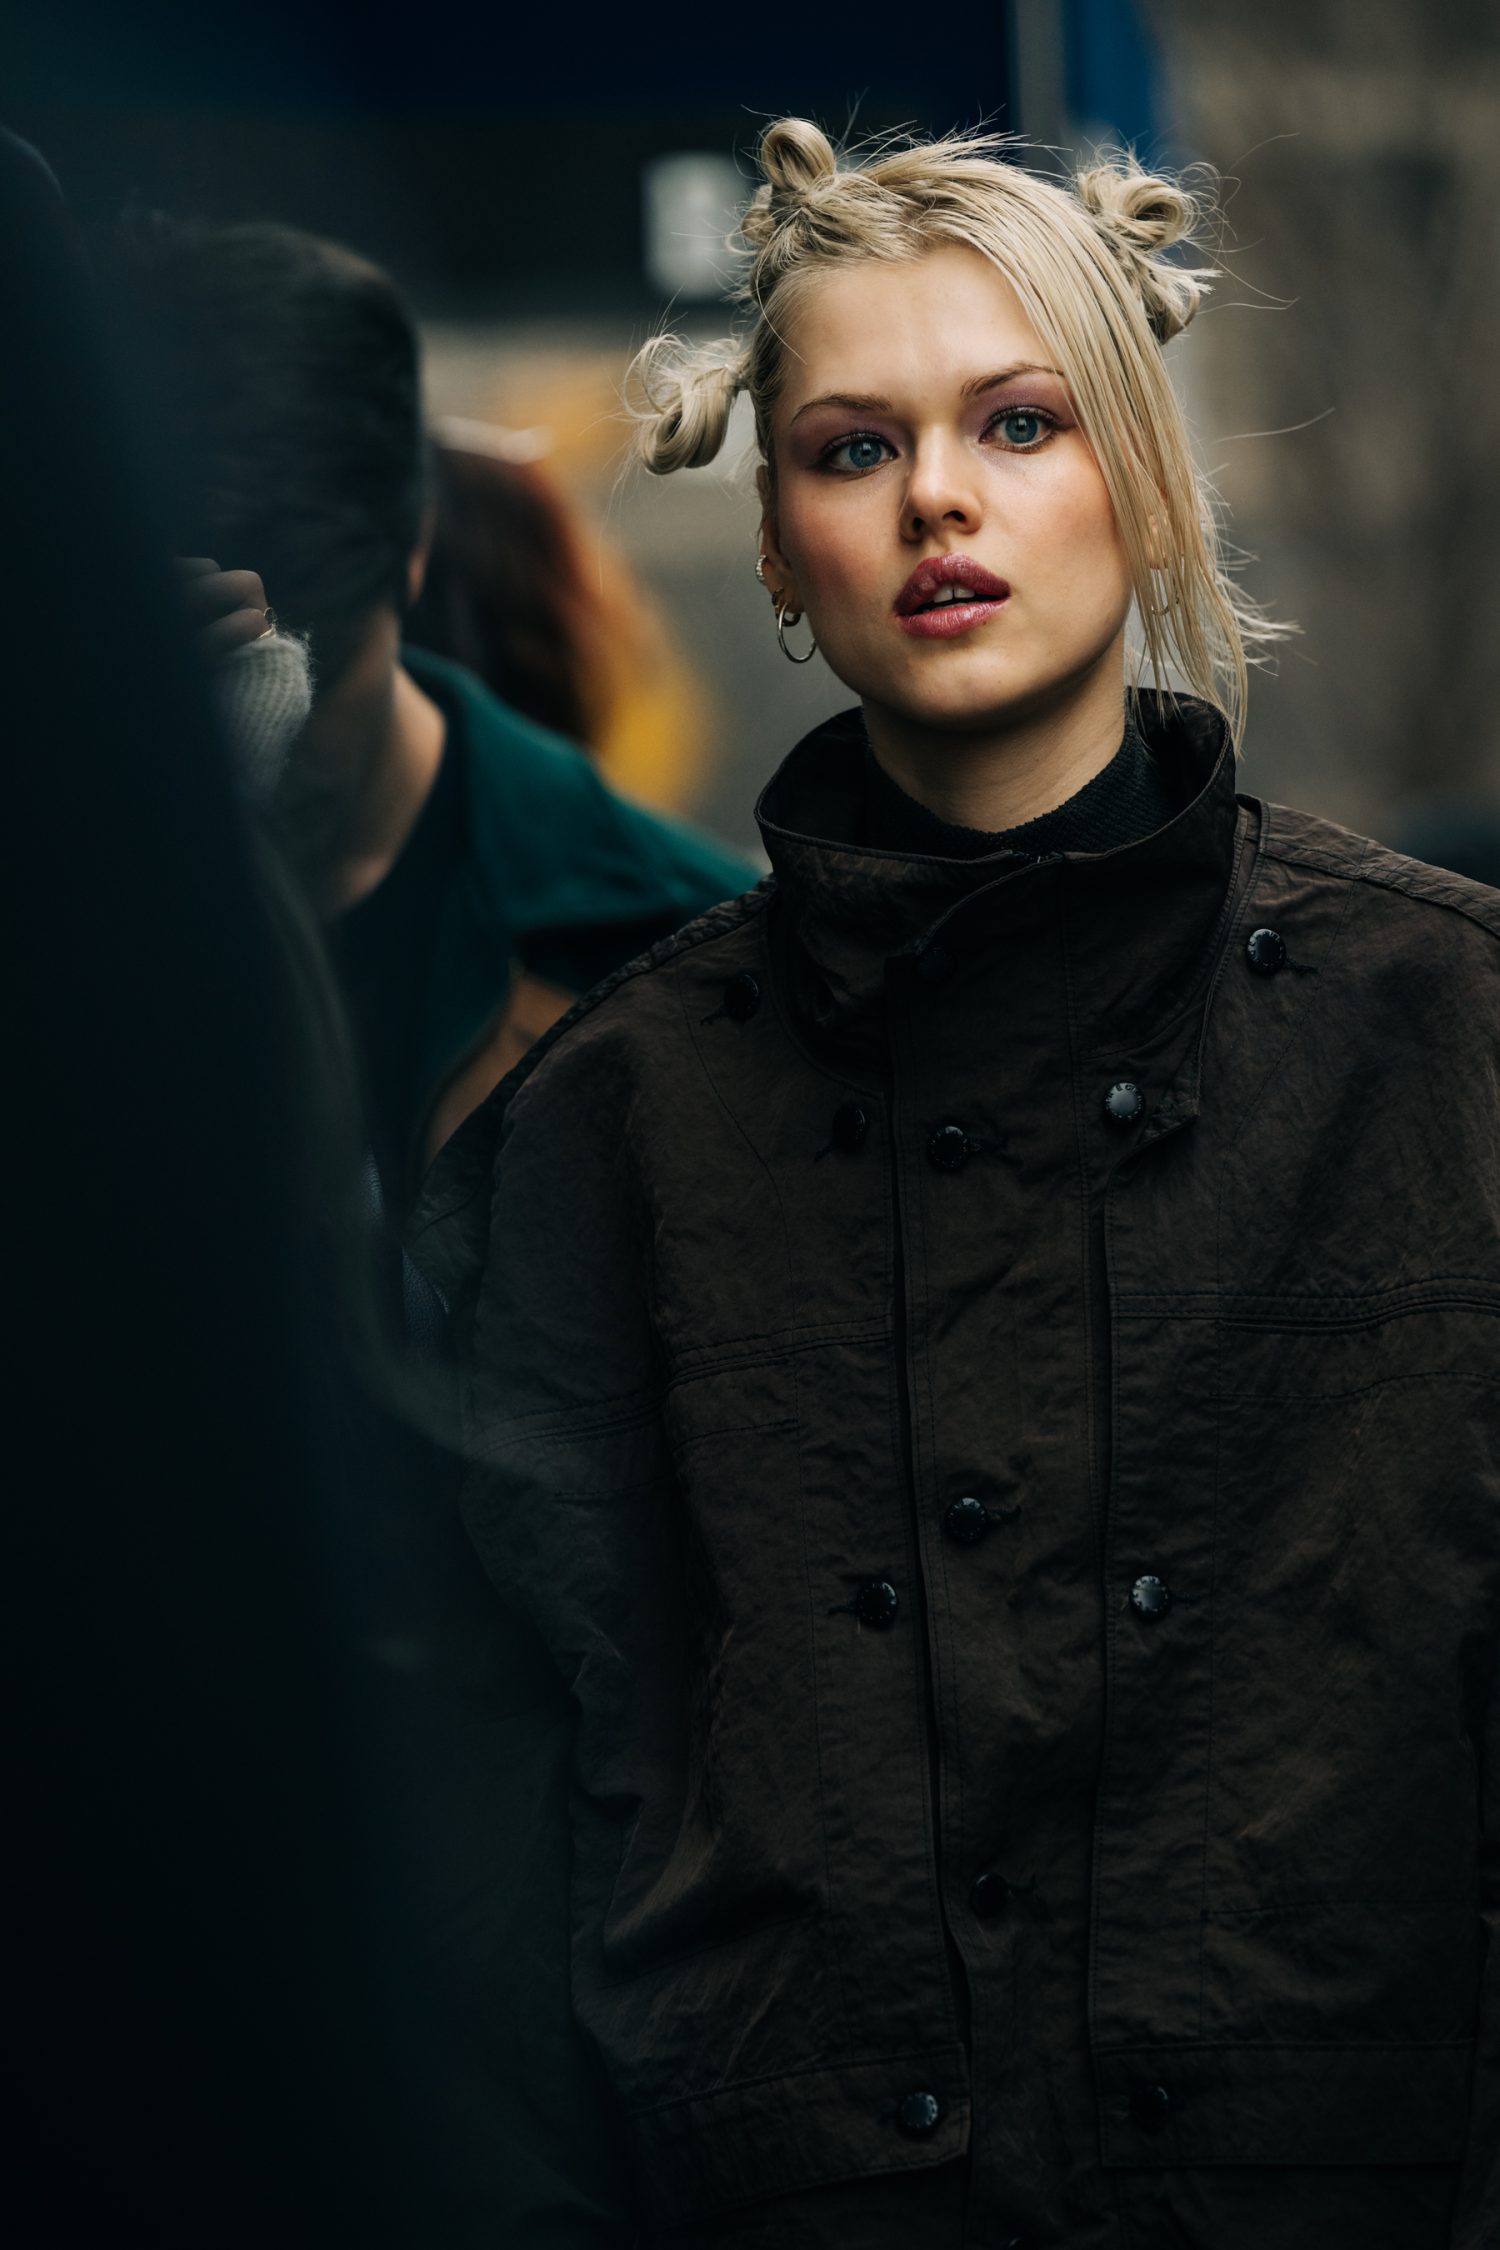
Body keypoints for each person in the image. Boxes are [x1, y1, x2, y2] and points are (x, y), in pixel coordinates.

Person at [411, 119, 1500, 2248]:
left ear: (1147, 476)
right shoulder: (605, 1142)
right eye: (847, 445)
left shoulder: (1451, 1050)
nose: (937, 499)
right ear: (777, 552)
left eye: (1019, 420)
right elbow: (461, 1860)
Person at [105, 217, 755, 1207]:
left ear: (413, 552)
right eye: (208, 681)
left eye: (310, 670)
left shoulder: (684, 943)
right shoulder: (60, 920)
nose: (271, 731)